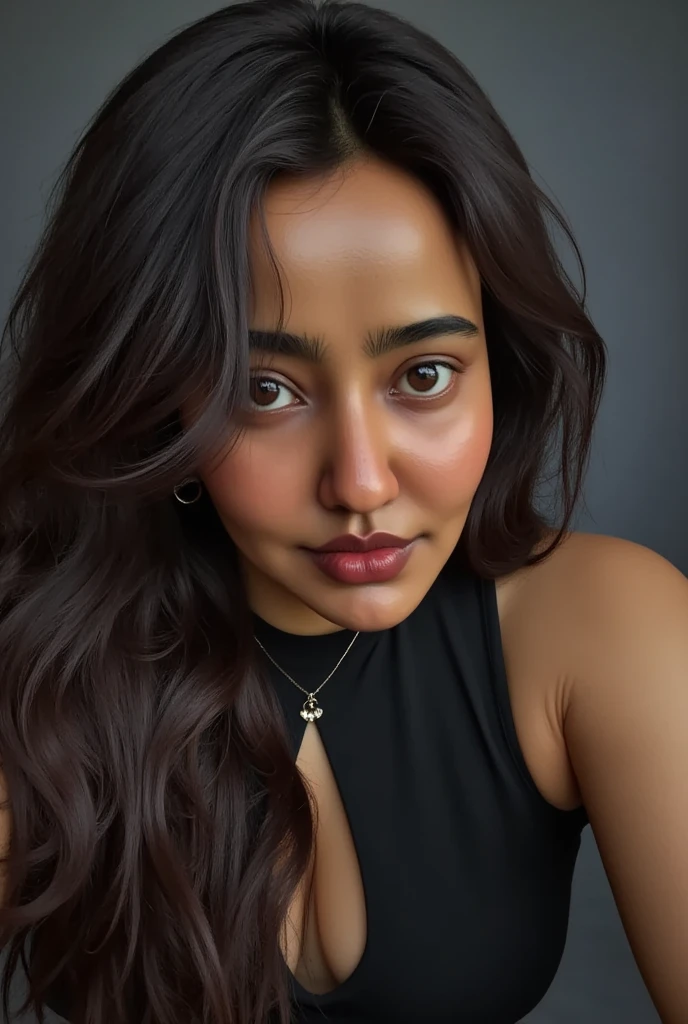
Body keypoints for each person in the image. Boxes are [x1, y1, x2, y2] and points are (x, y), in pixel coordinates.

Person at [0, 1, 686, 1022]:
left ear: (502, 361)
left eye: (424, 373)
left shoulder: (598, 625)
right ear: (159, 399)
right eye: (264, 391)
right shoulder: (39, 655)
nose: (360, 482)